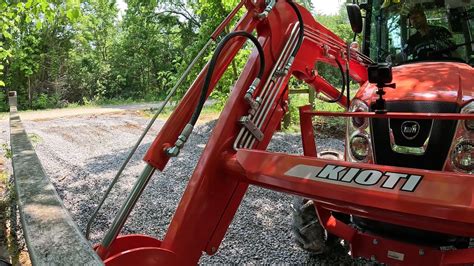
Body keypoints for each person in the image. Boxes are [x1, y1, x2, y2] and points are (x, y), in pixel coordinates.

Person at [392, 6, 457, 62]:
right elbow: (403, 54)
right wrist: (393, 58)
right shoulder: (412, 40)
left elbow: (454, 52)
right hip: (421, 71)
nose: (414, 20)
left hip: (444, 68)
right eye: (411, 19)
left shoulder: (441, 31)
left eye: (416, 17)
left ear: (424, 17)